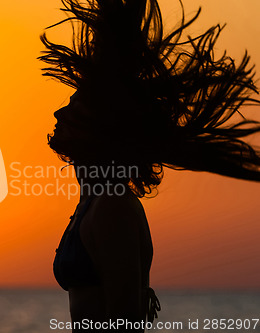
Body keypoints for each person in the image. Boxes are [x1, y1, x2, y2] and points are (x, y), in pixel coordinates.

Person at [39, 0, 260, 331]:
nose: (59, 114)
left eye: (72, 107)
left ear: (99, 126)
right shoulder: (92, 202)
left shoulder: (113, 206)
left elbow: (125, 322)